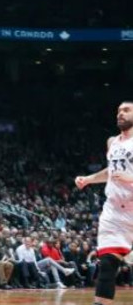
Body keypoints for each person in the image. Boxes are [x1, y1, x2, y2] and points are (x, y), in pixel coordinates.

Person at [75, 100, 133, 305]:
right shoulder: (112, 142)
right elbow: (111, 171)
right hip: (114, 211)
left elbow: (124, 174)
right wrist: (89, 179)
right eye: (118, 111)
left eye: (126, 110)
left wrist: (130, 178)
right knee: (107, 263)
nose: (120, 114)